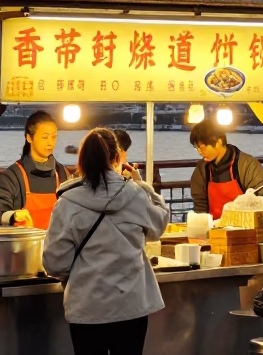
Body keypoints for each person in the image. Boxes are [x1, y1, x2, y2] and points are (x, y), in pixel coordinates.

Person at [43, 127, 170, 355]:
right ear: (118, 157)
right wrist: (143, 185)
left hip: (87, 308)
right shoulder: (135, 195)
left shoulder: (67, 203)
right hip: (131, 307)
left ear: (81, 159)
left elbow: (54, 263)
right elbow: (158, 226)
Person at [0, 110, 72, 229]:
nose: (50, 143)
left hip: (58, 245)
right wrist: (13, 216)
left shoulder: (63, 174)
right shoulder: (12, 177)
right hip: (25, 244)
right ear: (29, 138)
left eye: (54, 137)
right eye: (45, 137)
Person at [189, 119, 263, 219]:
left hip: (246, 227)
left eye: (202, 147)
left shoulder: (246, 164)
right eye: (196, 148)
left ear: (218, 142)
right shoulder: (202, 170)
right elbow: (200, 207)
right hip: (214, 229)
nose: (199, 151)